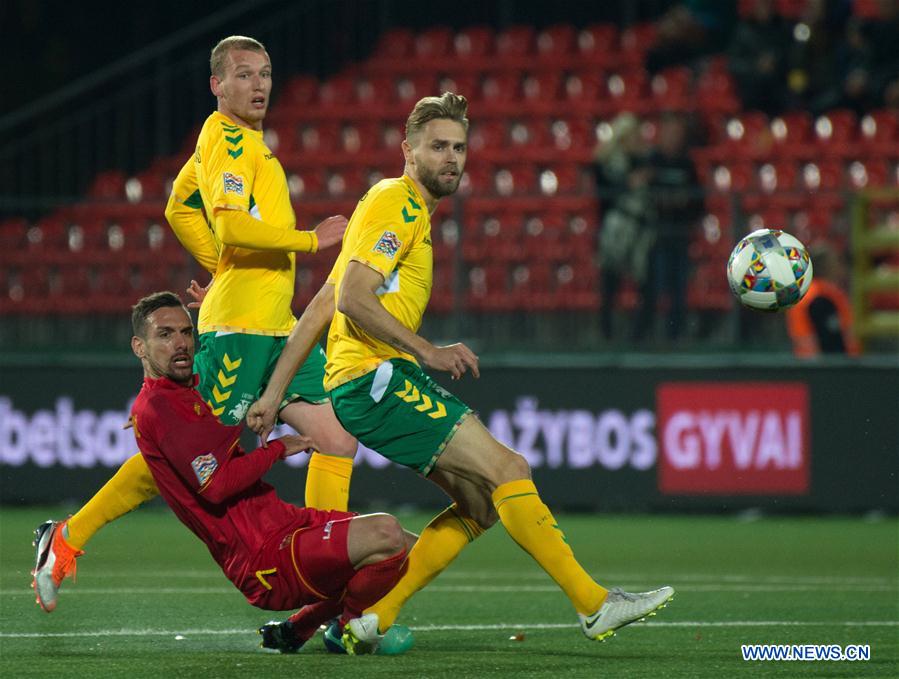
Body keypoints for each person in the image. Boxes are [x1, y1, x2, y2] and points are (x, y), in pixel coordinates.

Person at [246, 92, 674, 654]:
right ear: (408, 150)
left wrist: (273, 393)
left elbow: (325, 301)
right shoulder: (397, 203)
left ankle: (374, 615)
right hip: (377, 380)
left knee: (478, 506)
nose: (451, 158)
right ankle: (594, 604)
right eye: (438, 146)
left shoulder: (396, 207)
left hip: (363, 383)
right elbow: (351, 297)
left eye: (459, 148)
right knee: (508, 467)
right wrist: (426, 349)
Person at [31, 35, 359, 614]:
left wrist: (221, 269)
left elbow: (178, 206)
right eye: (243, 75)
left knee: (335, 439)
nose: (258, 85)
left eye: (265, 73)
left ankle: (323, 568)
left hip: (274, 323)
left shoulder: (234, 140)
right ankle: (66, 538)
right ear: (216, 85)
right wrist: (310, 240)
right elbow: (231, 227)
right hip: (240, 331)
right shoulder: (229, 138)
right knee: (193, 456)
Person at [75, 291, 410, 653]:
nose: (180, 343)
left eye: (187, 332)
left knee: (412, 550)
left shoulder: (191, 392)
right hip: (263, 558)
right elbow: (217, 486)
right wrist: (279, 448)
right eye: (166, 335)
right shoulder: (161, 407)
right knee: (386, 533)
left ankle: (299, 629)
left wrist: (228, 304)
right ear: (139, 347)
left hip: (284, 523)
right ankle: (344, 627)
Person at [631, 111, 702, 343]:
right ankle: (641, 337)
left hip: (679, 236)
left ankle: (675, 337)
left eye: (677, 133)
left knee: (678, 291)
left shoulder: (686, 164)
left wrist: (683, 204)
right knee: (651, 288)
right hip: (655, 236)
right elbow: (637, 190)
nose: (673, 138)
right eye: (670, 132)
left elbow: (698, 202)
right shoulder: (653, 161)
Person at [592, 113, 653, 340]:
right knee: (610, 283)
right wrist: (628, 183)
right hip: (614, 230)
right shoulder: (607, 163)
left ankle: (638, 335)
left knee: (643, 284)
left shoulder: (644, 161)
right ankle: (606, 334)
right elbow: (604, 195)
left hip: (639, 230)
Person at [786, 242, 861, 357]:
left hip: (806, 365)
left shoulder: (803, 294)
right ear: (826, 266)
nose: (840, 267)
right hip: (829, 367)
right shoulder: (823, 296)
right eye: (836, 261)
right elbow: (840, 338)